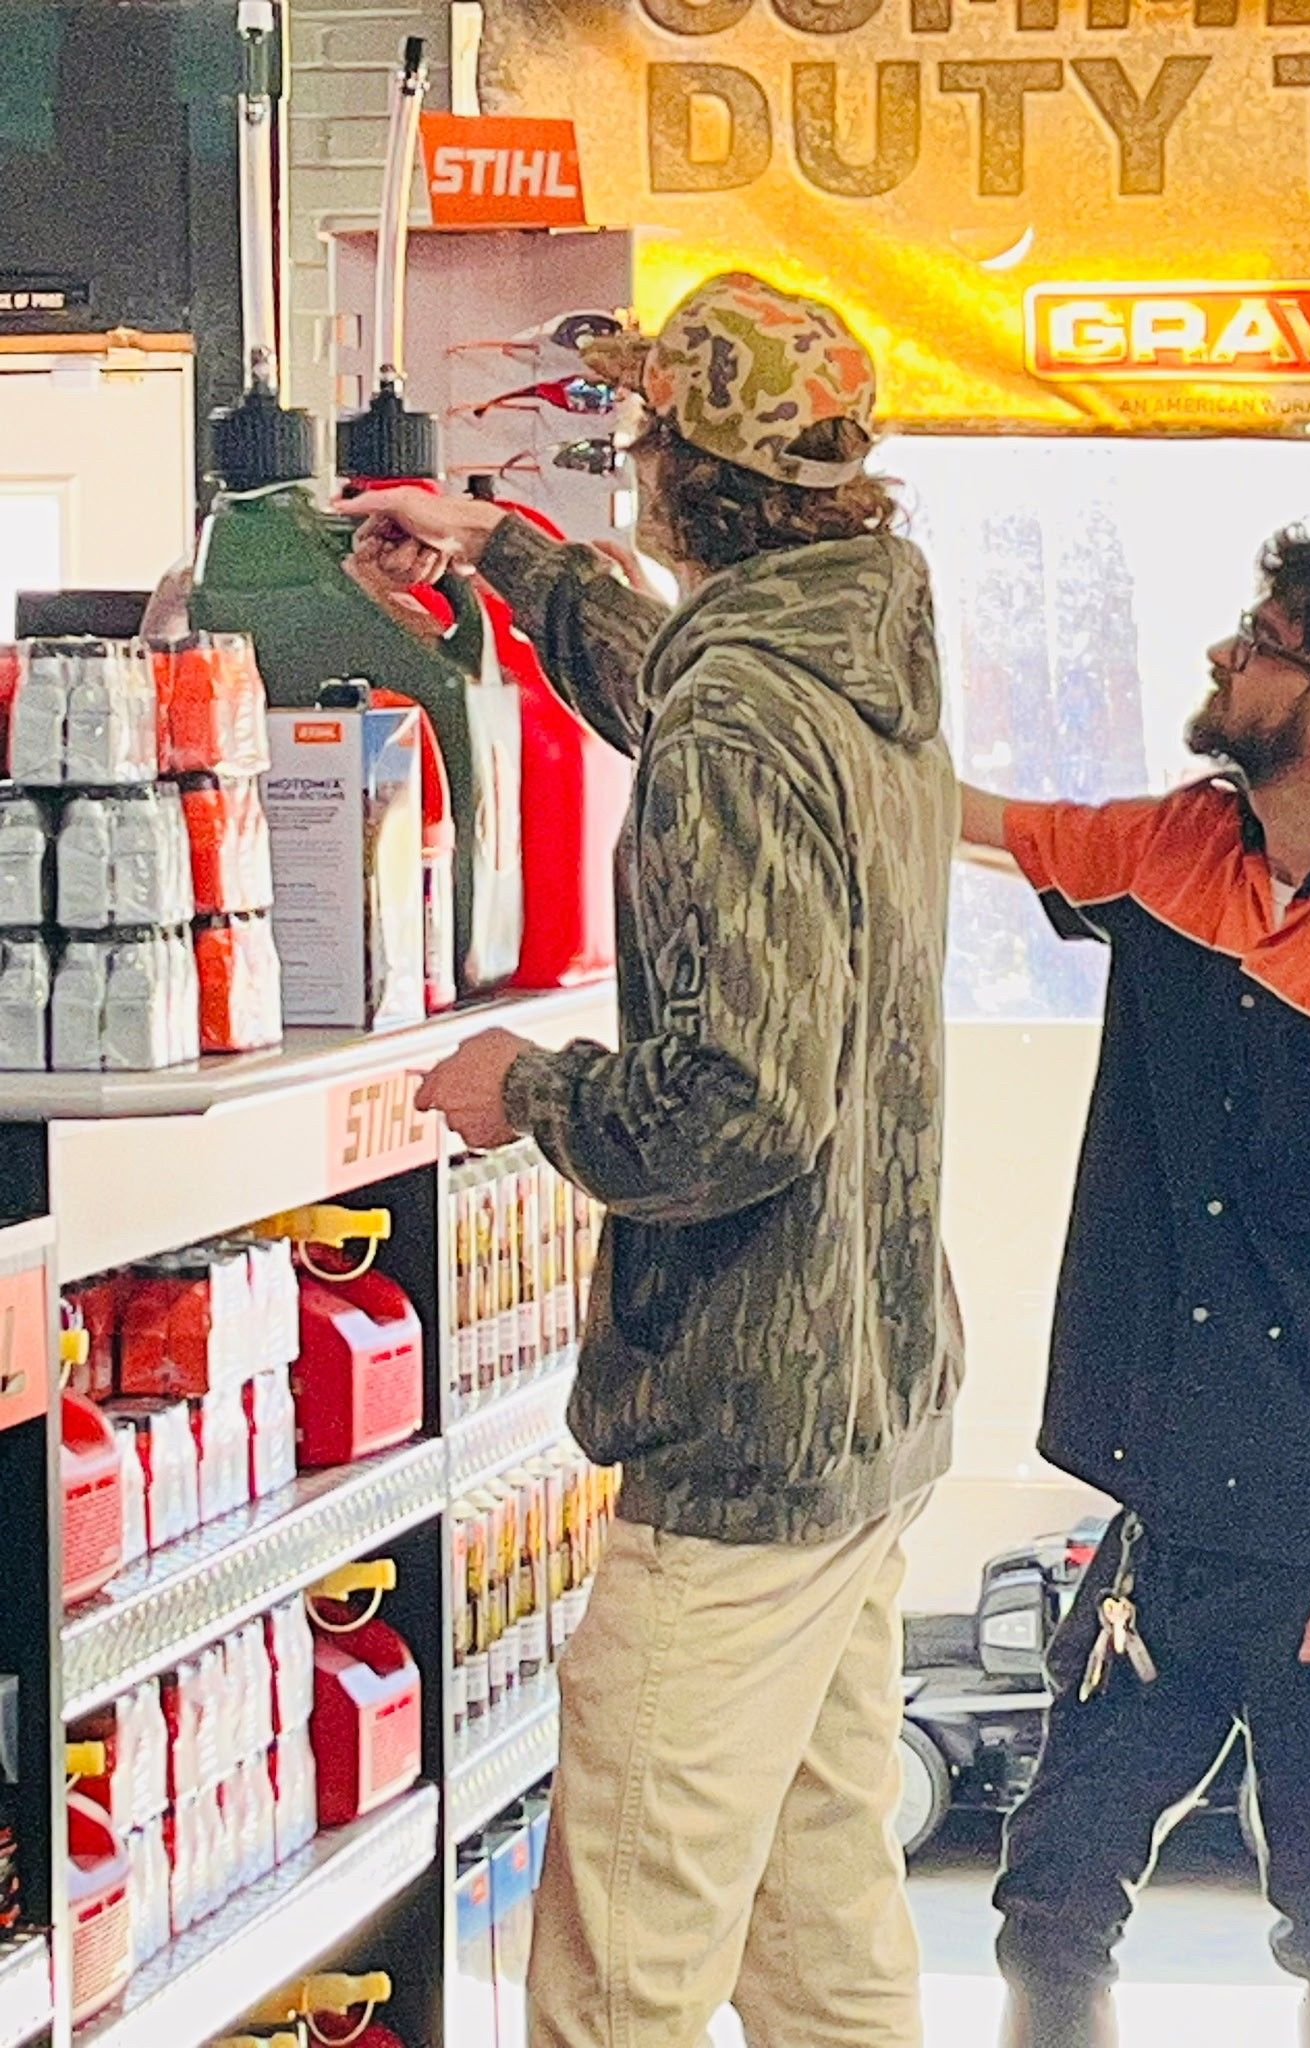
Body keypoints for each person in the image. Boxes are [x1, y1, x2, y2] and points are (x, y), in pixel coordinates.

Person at [343, 273, 963, 2048]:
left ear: (695, 470)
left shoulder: (744, 722)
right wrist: (507, 556)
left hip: (744, 1443)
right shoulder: (857, 640)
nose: (627, 458)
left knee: (621, 1967)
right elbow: (683, 679)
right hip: (868, 1401)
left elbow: (738, 1105)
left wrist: (529, 1092)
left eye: (640, 432)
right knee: (818, 1925)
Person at [961, 532, 1310, 2048]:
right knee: (1050, 1897)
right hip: (1167, 1511)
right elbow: (959, 819)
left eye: (1265, 640)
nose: (1229, 657)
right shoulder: (1176, 851)